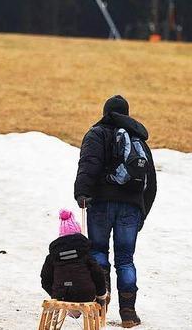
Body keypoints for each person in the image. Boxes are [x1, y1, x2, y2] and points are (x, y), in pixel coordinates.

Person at [74, 95, 157, 328]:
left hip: (100, 203)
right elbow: (151, 183)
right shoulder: (138, 139)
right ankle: (129, 314)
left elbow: (88, 164)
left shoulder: (96, 134)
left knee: (98, 251)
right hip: (131, 207)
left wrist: (81, 193)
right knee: (125, 260)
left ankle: (102, 298)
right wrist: (141, 211)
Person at [40, 209, 107, 310]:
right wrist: (101, 295)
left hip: (61, 294)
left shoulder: (53, 255)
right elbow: (98, 274)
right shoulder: (85, 253)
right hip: (85, 295)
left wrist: (55, 292)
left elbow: (45, 278)